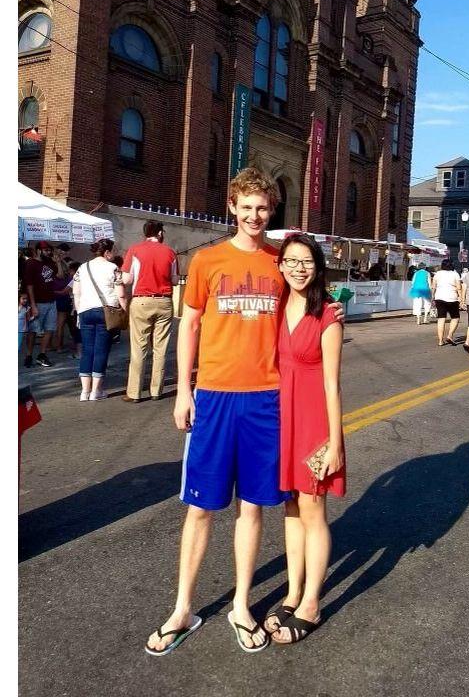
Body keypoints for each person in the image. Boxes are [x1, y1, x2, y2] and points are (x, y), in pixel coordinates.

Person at [145, 168, 343, 657]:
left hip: (266, 401)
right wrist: (183, 390)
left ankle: (241, 605)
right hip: (213, 396)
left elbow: (310, 298)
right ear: (232, 206)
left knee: (252, 508)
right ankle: (182, 609)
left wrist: (333, 309)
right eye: (247, 207)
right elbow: (189, 325)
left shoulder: (282, 263)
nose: (255, 216)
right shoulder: (209, 260)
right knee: (200, 508)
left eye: (263, 208)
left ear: (271, 211)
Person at [265, 233, 345, 646]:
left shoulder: (328, 315)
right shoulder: (274, 307)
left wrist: (335, 442)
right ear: (280, 265)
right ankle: (292, 590)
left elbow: (332, 385)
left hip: (314, 422)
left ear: (318, 266)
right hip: (282, 421)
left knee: (313, 509)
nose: (299, 267)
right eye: (291, 260)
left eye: (307, 261)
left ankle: (311, 600)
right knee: (292, 507)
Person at [121, 221, 179, 402]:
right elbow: (175, 280)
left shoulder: (135, 250)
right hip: (164, 301)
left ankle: (134, 392)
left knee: (139, 347)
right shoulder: (170, 252)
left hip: (141, 300)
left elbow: (127, 279)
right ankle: (156, 390)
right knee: (160, 348)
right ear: (160, 233)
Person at [72, 239, 127, 402]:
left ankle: (84, 392)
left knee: (87, 350)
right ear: (107, 252)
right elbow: (121, 294)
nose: (114, 254)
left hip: (85, 311)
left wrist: (79, 310)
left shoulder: (83, 267)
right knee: (101, 350)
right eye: (113, 251)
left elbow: (76, 292)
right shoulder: (113, 268)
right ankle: (96, 391)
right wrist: (124, 311)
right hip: (106, 311)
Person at [23, 241, 59, 367]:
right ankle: (28, 354)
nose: (49, 252)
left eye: (50, 250)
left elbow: (58, 275)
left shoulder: (51, 263)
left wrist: (58, 261)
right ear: (38, 250)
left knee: (50, 329)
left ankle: (42, 355)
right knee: (33, 330)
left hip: (51, 301)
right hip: (38, 302)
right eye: (46, 250)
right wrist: (33, 305)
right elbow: (29, 285)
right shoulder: (31, 263)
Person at [431, 259, 462, 346]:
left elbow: (434, 287)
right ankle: (450, 335)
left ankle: (440, 340)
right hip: (452, 298)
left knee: (441, 319)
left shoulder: (438, 274)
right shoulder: (455, 274)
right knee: (455, 317)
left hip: (439, 298)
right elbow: (459, 287)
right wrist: (461, 298)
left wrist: (432, 297)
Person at [50, 257, 74, 353]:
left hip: (55, 301)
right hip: (65, 301)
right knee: (61, 325)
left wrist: (51, 292)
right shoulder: (69, 278)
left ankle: (54, 345)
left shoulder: (54, 277)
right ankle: (59, 346)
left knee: (55, 325)